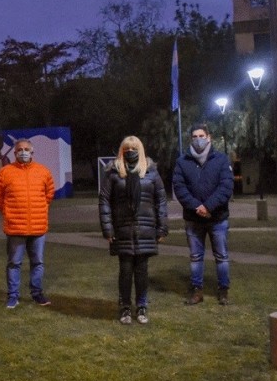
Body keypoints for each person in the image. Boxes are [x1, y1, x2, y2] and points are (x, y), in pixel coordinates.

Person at [99, 136, 168, 325]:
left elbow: (161, 200)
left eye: (134, 148)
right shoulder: (113, 173)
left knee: (142, 270)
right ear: (122, 150)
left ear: (141, 150)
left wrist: (162, 228)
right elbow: (104, 201)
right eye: (127, 148)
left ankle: (142, 306)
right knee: (126, 270)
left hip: (145, 229)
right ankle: (125, 307)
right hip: (122, 229)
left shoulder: (151, 172)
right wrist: (107, 228)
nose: (130, 151)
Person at [173, 123, 234, 305]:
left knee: (221, 256)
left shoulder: (221, 160)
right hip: (193, 219)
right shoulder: (182, 162)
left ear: (209, 137)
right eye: (194, 136)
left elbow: (226, 187)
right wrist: (196, 207)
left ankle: (223, 290)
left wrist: (208, 207)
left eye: (201, 135)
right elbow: (179, 187)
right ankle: (197, 290)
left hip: (217, 218)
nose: (198, 139)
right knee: (195, 257)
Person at [0, 138, 56, 309]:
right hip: (15, 227)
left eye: (27, 149)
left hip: (38, 227)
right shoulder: (5, 172)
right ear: (14, 152)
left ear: (32, 152)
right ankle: (13, 296)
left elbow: (49, 195)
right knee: (14, 263)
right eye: (20, 149)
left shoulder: (43, 172)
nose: (23, 152)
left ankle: (37, 294)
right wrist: (8, 212)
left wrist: (38, 211)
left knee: (38, 263)